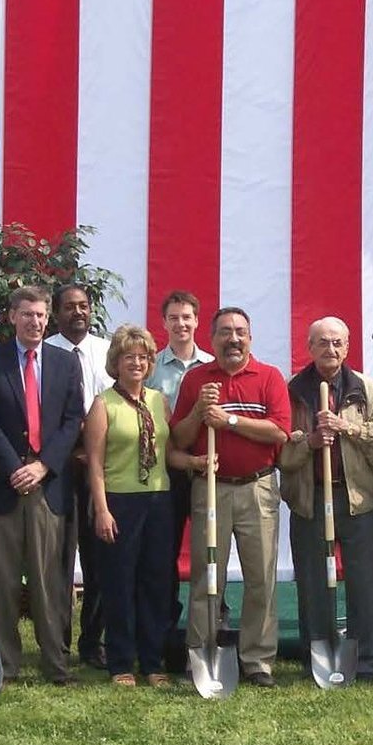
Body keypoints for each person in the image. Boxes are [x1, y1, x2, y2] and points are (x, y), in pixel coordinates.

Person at [0, 285, 86, 685]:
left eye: (41, 315)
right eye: (27, 314)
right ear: (12, 317)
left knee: (50, 580)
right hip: (3, 484)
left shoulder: (63, 363)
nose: (35, 321)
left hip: (47, 486)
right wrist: (13, 466)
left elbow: (73, 421)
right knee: (1, 581)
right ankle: (3, 664)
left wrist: (43, 466)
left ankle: (55, 663)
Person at [170, 307, 292, 687]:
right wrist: (199, 412)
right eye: (225, 332)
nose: (233, 339)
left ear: (250, 338)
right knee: (208, 576)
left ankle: (257, 660)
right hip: (211, 488)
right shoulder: (197, 379)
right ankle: (200, 654)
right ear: (213, 338)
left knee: (261, 578)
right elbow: (179, 438)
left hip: (258, 488)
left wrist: (231, 421)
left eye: (240, 332)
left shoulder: (269, 377)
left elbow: (280, 432)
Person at [279, 317, 373, 682]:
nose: (331, 349)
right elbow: (279, 450)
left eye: (337, 342)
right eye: (323, 342)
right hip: (310, 499)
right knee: (313, 583)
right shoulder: (291, 391)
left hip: (358, 500)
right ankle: (319, 656)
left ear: (347, 347)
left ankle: (366, 660)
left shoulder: (366, 389)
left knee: (364, 583)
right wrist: (309, 441)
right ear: (310, 347)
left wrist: (348, 428)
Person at [83, 325, 175, 687]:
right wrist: (102, 510)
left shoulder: (159, 401)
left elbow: (171, 450)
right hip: (120, 501)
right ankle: (121, 661)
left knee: (156, 582)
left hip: (159, 500)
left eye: (143, 356)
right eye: (128, 357)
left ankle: (152, 661)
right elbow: (93, 463)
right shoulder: (103, 404)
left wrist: (198, 462)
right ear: (115, 363)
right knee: (119, 583)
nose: (136, 362)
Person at [46, 283, 111, 669]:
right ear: (57, 313)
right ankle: (58, 643)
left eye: (84, 306)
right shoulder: (46, 352)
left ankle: (93, 642)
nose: (78, 312)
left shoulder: (106, 353)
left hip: (100, 470)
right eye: (69, 307)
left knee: (99, 558)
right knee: (58, 558)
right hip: (59, 467)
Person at [149, 289, 214, 659]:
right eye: (174, 318)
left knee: (211, 546)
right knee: (166, 550)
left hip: (208, 469)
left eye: (186, 317)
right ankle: (166, 623)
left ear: (196, 321)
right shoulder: (152, 368)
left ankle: (211, 617)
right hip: (166, 471)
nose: (181, 324)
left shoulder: (211, 365)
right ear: (164, 323)